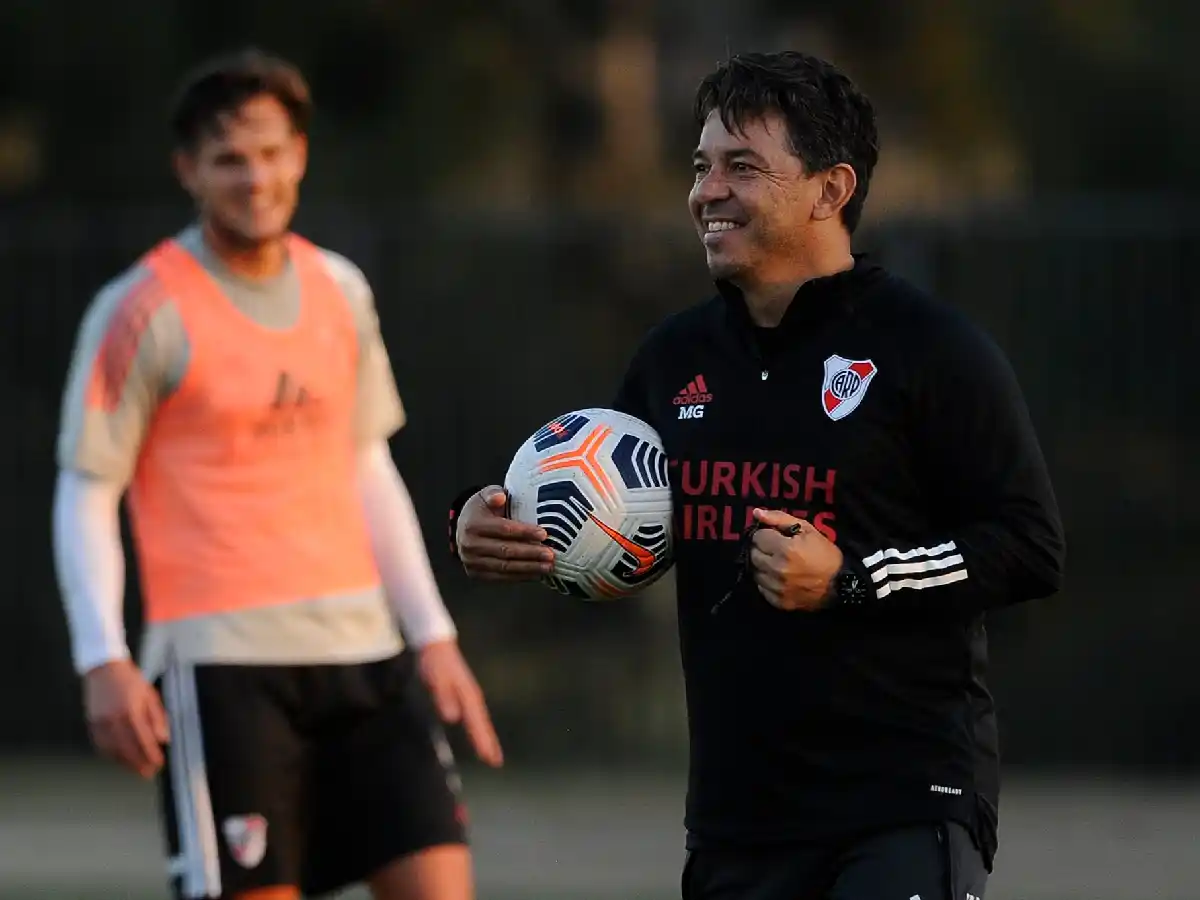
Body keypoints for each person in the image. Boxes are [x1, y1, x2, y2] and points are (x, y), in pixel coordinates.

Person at [450, 50, 1064, 900]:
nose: (707, 190)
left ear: (830, 188)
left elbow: (1030, 544)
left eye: (742, 166)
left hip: (903, 799)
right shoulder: (675, 360)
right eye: (702, 166)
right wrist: (484, 520)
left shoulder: (932, 351)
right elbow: (596, 508)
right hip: (738, 819)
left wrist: (848, 579)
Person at [52, 48, 502, 900]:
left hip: (368, 657)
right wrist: (101, 658)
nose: (254, 178)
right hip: (224, 667)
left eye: (270, 152)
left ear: (299, 153)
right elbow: (87, 488)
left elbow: (367, 463)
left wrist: (432, 634)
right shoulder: (140, 309)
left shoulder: (341, 289)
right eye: (228, 159)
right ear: (188, 171)